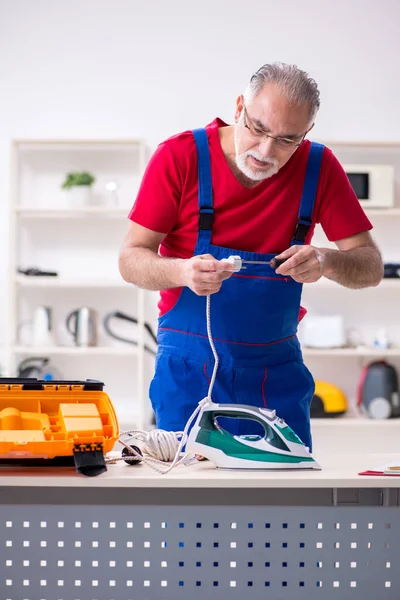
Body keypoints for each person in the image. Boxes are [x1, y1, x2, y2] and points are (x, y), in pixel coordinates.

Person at [119, 62, 383, 450]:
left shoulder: (319, 167)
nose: (265, 151)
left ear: (306, 134)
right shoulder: (181, 157)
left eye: (286, 140)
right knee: (191, 502)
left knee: (285, 505)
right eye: (258, 129)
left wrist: (326, 261)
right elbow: (130, 259)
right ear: (239, 107)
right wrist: (181, 271)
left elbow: (371, 267)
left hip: (276, 377)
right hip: (188, 373)